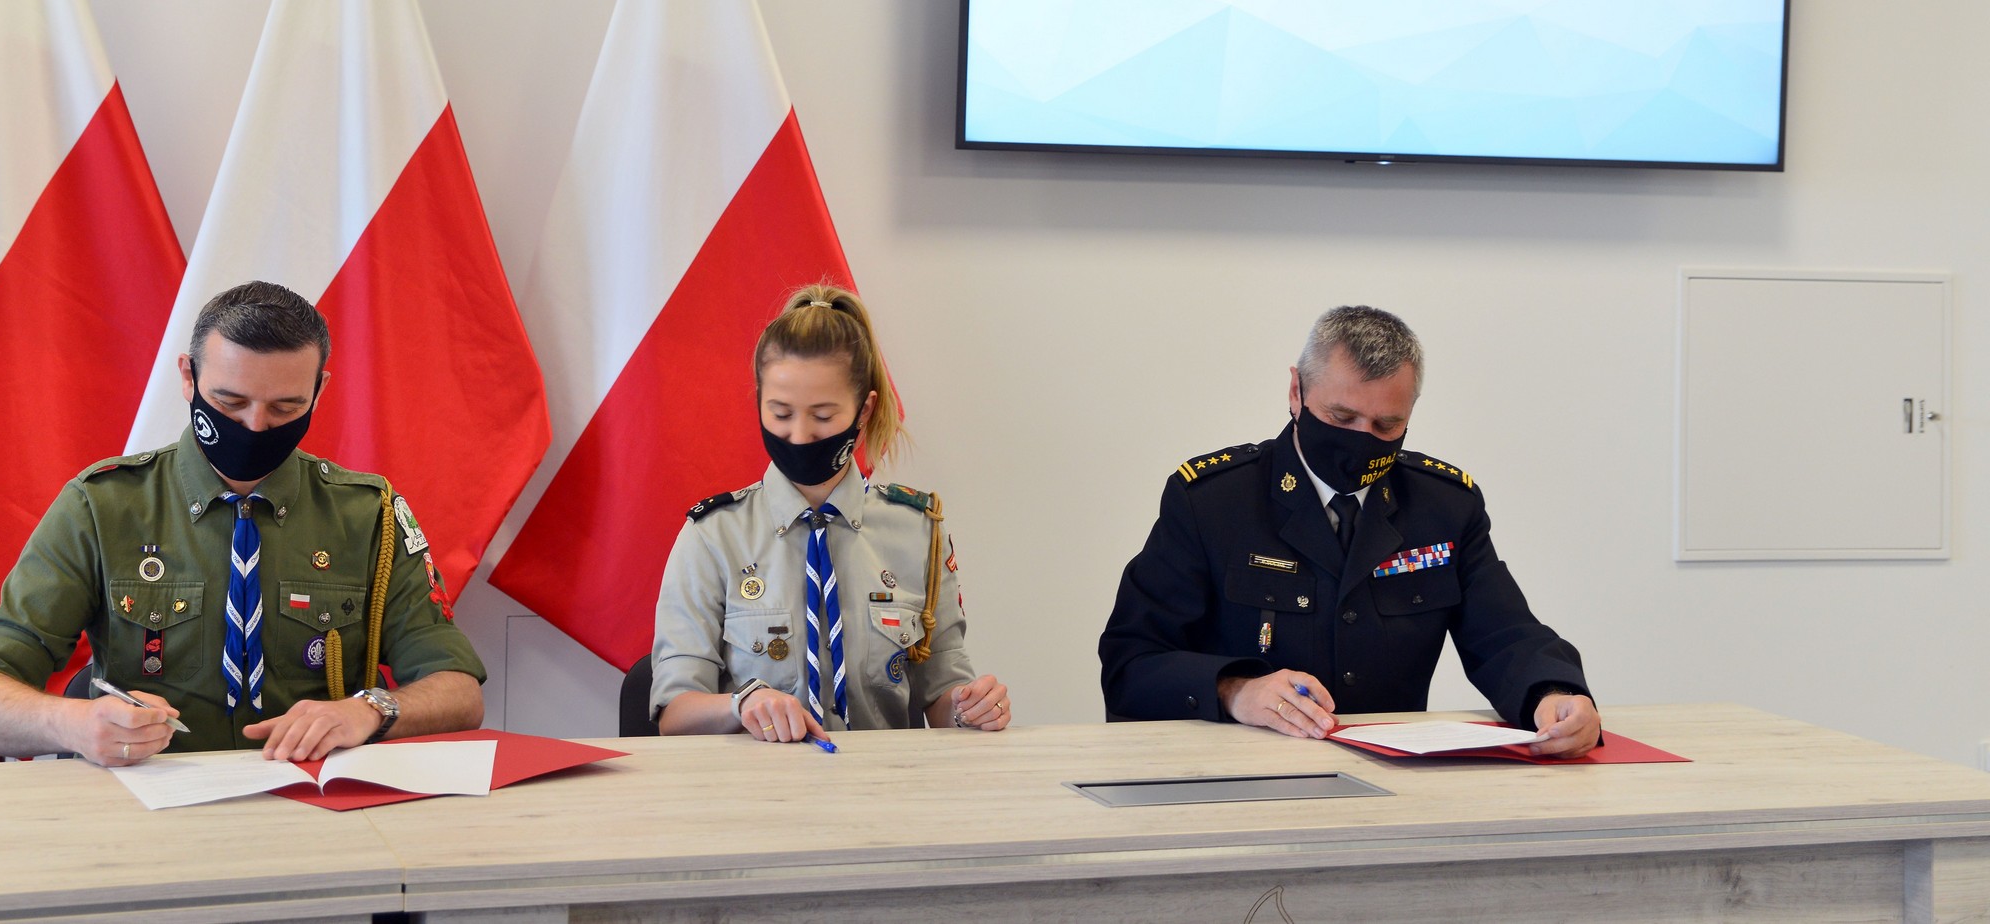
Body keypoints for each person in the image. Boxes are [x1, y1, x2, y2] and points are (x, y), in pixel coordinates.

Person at [0, 280, 485, 766]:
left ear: (319, 391)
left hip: (313, 802)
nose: (255, 425)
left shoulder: (368, 515)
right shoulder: (103, 505)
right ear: (189, 377)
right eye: (229, 401)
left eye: (285, 407)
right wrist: (75, 724)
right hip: (148, 805)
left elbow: (459, 690)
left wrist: (370, 710)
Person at [1098, 305, 1600, 756]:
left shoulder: (1444, 506)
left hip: (1393, 782)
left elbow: (1506, 635)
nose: (1362, 440)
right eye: (1341, 417)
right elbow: (1131, 662)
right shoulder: (1213, 502)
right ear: (1296, 392)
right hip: (1240, 776)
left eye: (1386, 426)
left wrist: (1553, 695)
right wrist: (1236, 690)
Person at [650, 284, 1009, 741]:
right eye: (780, 413)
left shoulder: (918, 533)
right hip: (758, 780)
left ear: (865, 410)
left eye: (822, 417)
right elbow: (674, 712)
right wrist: (742, 704)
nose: (800, 435)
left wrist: (969, 709)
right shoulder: (713, 535)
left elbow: (942, 695)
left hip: (885, 778)